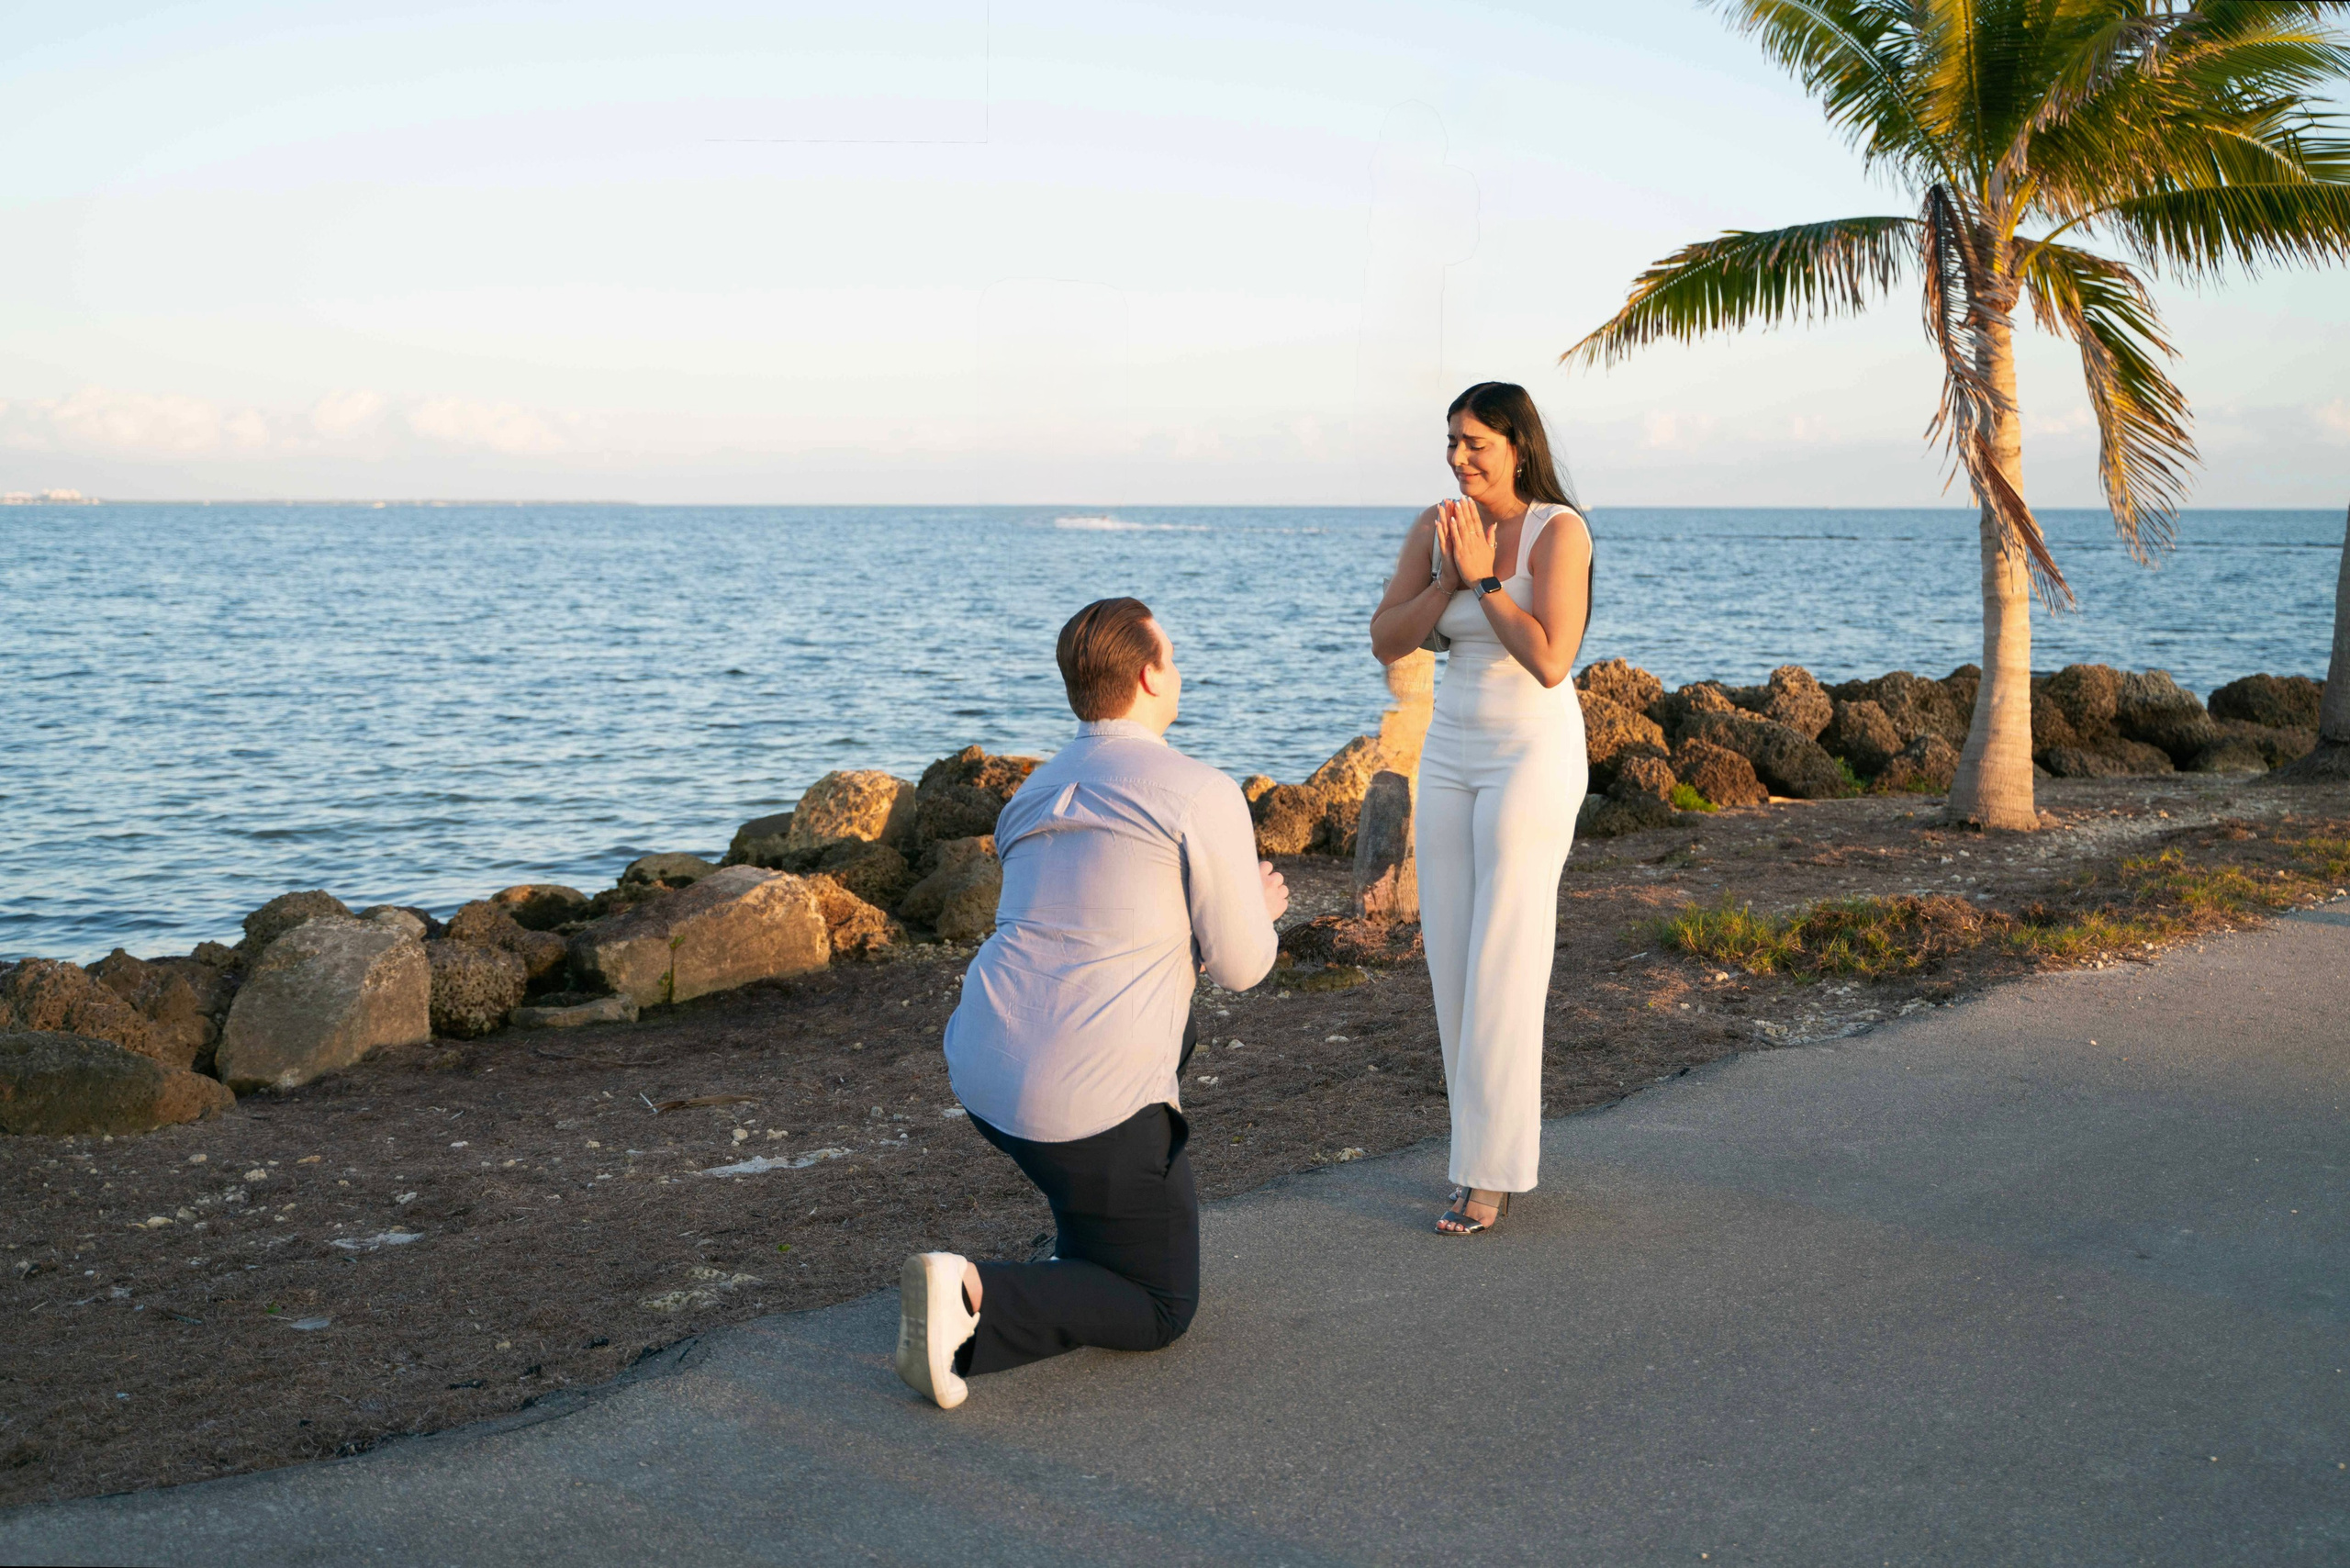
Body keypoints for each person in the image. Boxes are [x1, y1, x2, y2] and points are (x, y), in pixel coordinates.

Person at [894, 596, 1288, 1409]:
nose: (1176, 671)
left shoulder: (1032, 793)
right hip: (1086, 1104)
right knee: (1160, 1304)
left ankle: (1075, 1249)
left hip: (983, 1070)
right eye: (1171, 659)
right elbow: (1243, 969)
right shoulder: (1198, 790)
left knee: (1103, 1104)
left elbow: (1091, 921)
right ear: (1149, 675)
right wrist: (1256, 908)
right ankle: (971, 1299)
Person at [1367, 382, 1594, 1236]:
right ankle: (1474, 1155)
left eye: (1476, 444)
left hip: (1531, 750)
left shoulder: (1557, 532)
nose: (1460, 458)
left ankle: (1489, 1175)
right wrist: (1442, 581)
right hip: (1451, 749)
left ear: (1518, 448)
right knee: (1453, 958)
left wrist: (1487, 578)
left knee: (1505, 955)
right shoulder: (1435, 525)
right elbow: (1389, 638)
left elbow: (1550, 658)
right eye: (1453, 442)